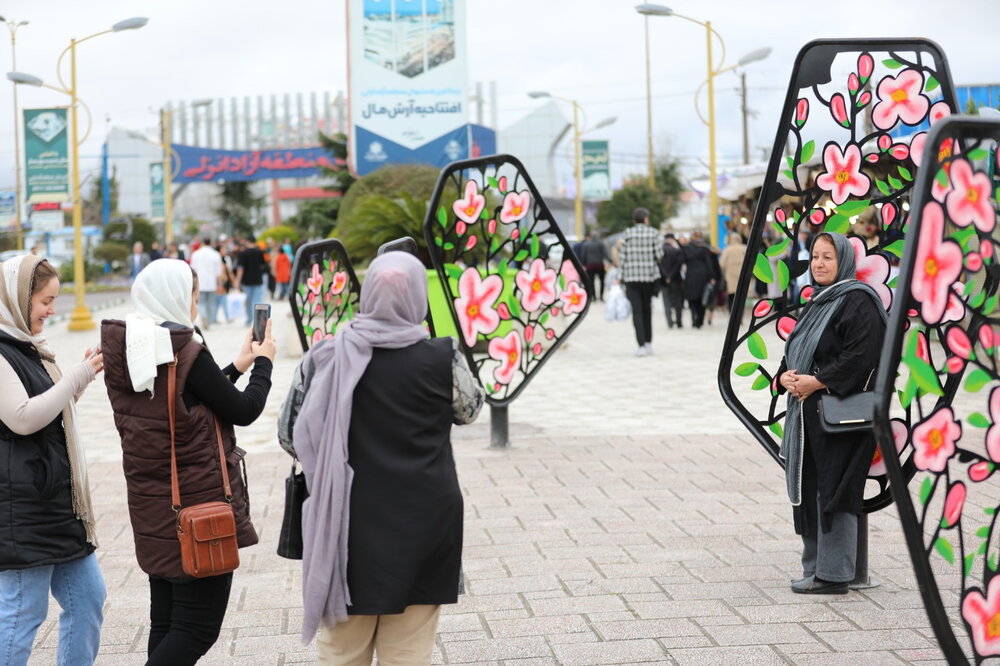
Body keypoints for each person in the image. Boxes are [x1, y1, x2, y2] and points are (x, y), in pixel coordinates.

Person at [278, 252, 484, 664]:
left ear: (366, 293)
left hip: (345, 529)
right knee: (408, 653)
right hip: (425, 524)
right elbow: (470, 409)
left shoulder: (326, 357)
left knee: (341, 654)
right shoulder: (443, 356)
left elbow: (289, 436)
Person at [100, 259, 275, 664]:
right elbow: (244, 410)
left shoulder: (134, 349)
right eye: (192, 297)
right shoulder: (186, 350)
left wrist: (237, 365)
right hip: (198, 506)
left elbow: (187, 401)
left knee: (167, 623)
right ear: (176, 298)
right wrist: (265, 362)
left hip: (153, 507)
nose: (195, 306)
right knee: (196, 629)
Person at [0, 255, 106, 665]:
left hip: (54, 504)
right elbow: (23, 418)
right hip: (22, 510)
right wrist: (76, 376)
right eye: (45, 300)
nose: (51, 309)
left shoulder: (26, 347)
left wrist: (80, 379)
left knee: (89, 599)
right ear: (17, 297)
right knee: (22, 615)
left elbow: (48, 409)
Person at [776, 232, 887, 595]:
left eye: (829, 257)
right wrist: (786, 376)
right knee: (811, 491)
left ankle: (835, 575)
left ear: (845, 262)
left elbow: (861, 356)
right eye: (816, 258)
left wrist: (817, 382)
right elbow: (799, 347)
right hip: (810, 418)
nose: (820, 264)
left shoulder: (858, 301)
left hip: (841, 418)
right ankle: (815, 569)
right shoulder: (818, 301)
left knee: (835, 492)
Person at [618, 207, 663, 356]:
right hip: (649, 278)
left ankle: (641, 345)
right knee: (647, 310)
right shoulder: (653, 233)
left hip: (631, 278)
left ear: (634, 220)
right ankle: (649, 343)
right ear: (645, 219)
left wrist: (619, 276)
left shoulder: (627, 234)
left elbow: (622, 258)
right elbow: (660, 255)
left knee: (636, 312)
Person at [681, 231, 718, 329]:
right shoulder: (704, 248)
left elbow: (682, 261)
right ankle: (700, 321)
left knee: (692, 299)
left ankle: (694, 319)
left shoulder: (686, 248)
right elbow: (709, 264)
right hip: (703, 276)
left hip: (690, 275)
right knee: (702, 299)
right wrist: (712, 277)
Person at [189, 238, 224, 331]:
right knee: (211, 303)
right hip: (212, 283)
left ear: (203, 243)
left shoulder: (196, 254)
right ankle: (208, 319)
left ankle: (203, 315)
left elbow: (192, 269)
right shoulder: (216, 254)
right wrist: (220, 284)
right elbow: (218, 272)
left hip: (200, 282)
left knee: (201, 302)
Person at [235, 236, 267, 326]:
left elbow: (240, 268)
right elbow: (263, 265)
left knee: (248, 301)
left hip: (247, 281)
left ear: (247, 242)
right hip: (258, 279)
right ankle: (258, 321)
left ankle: (249, 320)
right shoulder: (260, 252)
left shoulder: (243, 253)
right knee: (258, 302)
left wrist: (237, 281)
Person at [658, 233, 685, 328]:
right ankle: (679, 322)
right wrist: (671, 275)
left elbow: (659, 266)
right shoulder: (677, 251)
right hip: (676, 279)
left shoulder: (659, 251)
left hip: (663, 280)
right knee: (678, 301)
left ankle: (669, 322)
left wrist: (666, 276)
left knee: (666, 302)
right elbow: (679, 265)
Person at [577, 231, 610, 301]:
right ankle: (601, 296)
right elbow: (605, 254)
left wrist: (583, 264)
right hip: (599, 265)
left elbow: (583, 256)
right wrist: (610, 261)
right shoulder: (601, 244)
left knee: (591, 281)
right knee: (602, 281)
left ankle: (593, 296)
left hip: (590, 265)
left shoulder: (586, 244)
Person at [719, 233, 746, 312]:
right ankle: (740, 316)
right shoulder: (744, 248)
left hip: (730, 275)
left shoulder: (727, 249)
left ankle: (732, 314)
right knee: (741, 296)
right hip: (742, 274)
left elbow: (722, 263)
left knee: (731, 296)